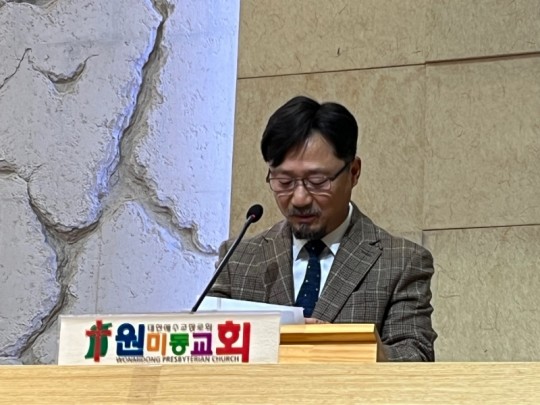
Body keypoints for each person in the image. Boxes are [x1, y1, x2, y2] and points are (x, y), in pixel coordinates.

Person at [210, 95, 437, 361]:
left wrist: (339, 347)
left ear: (353, 172)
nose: (299, 199)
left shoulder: (400, 262)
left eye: (317, 181)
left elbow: (415, 357)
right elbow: (202, 347)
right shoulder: (238, 260)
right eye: (284, 181)